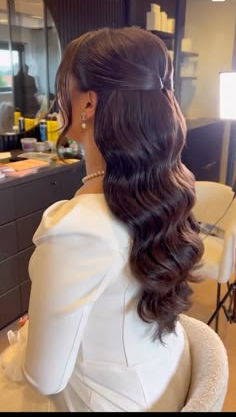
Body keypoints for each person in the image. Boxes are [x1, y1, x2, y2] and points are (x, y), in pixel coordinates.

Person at [0, 27, 204, 412]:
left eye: (65, 88)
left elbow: (45, 378)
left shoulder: (76, 228)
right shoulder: (164, 192)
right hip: (165, 375)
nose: (59, 101)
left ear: (88, 105)